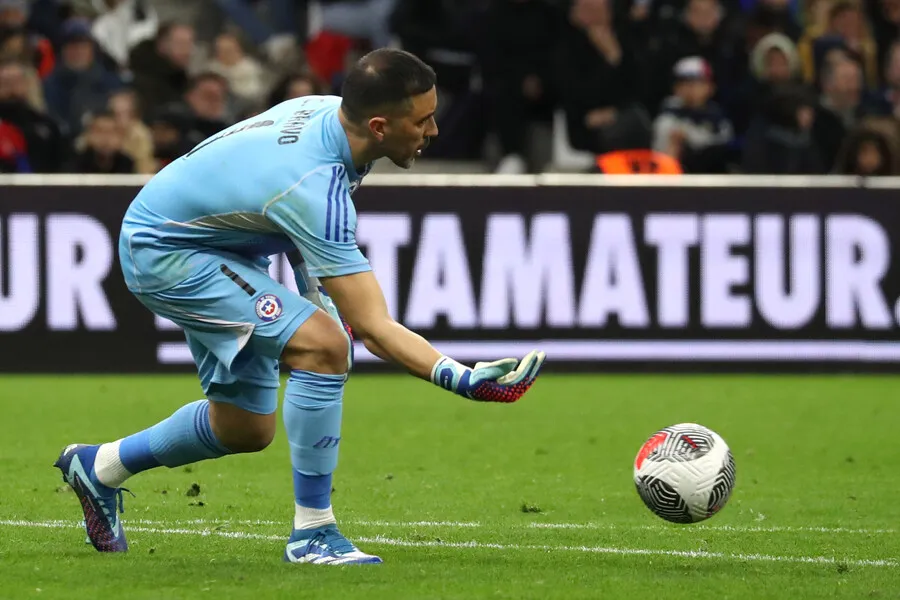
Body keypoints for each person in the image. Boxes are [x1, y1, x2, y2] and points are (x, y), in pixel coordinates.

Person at [53, 48, 546, 565]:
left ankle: (101, 466)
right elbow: (372, 327)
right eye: (422, 120)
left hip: (223, 242)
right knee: (327, 346)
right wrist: (460, 377)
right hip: (168, 251)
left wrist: (314, 297)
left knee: (244, 427)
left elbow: (275, 208)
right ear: (379, 126)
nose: (435, 131)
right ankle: (313, 533)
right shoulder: (314, 183)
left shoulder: (333, 117)